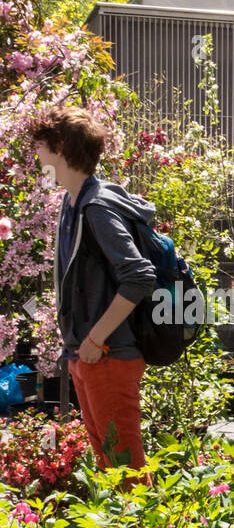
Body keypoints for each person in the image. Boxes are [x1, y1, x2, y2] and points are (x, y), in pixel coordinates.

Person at [31, 106, 155, 472]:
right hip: (84, 356)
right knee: (108, 466)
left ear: (61, 149)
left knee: (125, 469)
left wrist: (95, 339)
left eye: (41, 146)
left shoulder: (97, 206)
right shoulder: (72, 205)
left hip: (109, 355)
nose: (37, 156)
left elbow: (139, 275)